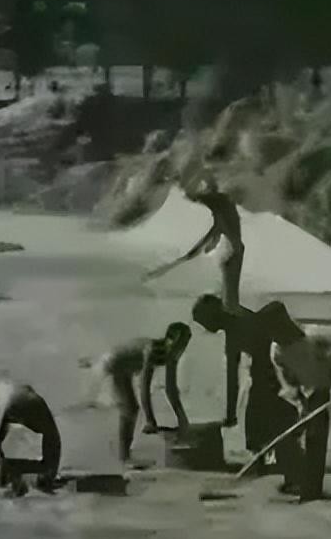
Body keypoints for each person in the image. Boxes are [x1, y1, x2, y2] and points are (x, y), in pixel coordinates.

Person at [144, 176, 243, 421]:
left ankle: (230, 314)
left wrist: (201, 249)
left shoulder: (222, 208)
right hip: (232, 254)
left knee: (229, 302)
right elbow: (214, 235)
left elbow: (218, 236)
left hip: (231, 254)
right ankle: (230, 313)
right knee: (229, 298)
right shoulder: (224, 210)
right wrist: (194, 252)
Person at [191, 295, 308, 494]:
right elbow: (232, 374)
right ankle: (273, 470)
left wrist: (231, 414)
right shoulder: (235, 326)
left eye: (204, 321)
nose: (206, 328)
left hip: (275, 376)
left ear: (213, 315)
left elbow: (233, 374)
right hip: (265, 378)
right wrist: (231, 413)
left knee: (278, 427)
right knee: (259, 431)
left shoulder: (239, 324)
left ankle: (293, 476)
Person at [269, 323, 331, 502]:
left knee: (316, 437)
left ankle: (312, 489)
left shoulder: (313, 337)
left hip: (320, 385)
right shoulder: (277, 350)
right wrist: (297, 399)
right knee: (295, 436)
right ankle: (297, 480)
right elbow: (285, 379)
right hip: (300, 389)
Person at [85, 323, 192, 463]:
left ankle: (124, 456)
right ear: (169, 340)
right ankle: (124, 457)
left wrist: (182, 419)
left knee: (131, 409)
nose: (182, 349)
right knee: (130, 410)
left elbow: (170, 389)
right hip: (113, 363)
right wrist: (150, 420)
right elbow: (144, 386)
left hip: (124, 367)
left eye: (185, 344)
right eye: (180, 344)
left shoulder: (171, 354)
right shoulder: (153, 350)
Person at [0, 380, 61, 492]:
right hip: (29, 401)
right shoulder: (8, 394)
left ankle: (4, 475)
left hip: (12, 401)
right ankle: (45, 474)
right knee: (51, 446)